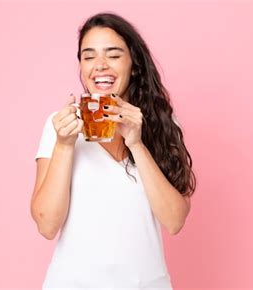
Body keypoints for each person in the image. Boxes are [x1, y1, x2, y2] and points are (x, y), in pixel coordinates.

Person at [30, 12, 197, 290]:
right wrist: (64, 145)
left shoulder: (160, 124)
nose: (100, 66)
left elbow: (175, 219)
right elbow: (47, 225)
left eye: (113, 54)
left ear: (133, 64)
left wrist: (136, 143)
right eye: (89, 56)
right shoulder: (59, 126)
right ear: (81, 66)